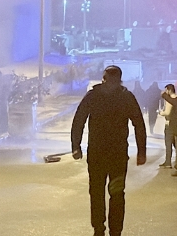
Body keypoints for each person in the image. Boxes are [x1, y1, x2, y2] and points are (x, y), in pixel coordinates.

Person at [71, 65, 147, 236]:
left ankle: (103, 229)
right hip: (114, 155)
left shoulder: (98, 96)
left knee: (101, 193)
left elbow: (79, 120)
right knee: (113, 193)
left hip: (104, 154)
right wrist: (141, 151)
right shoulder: (123, 97)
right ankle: (110, 230)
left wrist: (76, 146)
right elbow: (139, 124)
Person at [158, 84, 177, 168]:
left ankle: (168, 162)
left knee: (168, 143)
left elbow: (167, 112)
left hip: (169, 124)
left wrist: (161, 112)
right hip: (176, 124)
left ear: (169, 90)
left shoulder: (169, 100)